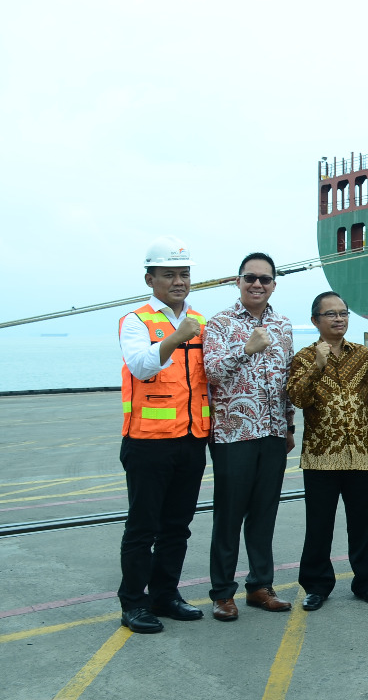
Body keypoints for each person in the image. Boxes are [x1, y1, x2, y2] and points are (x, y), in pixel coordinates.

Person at [116, 236, 210, 634]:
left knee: (177, 525)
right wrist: (174, 336)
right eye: (169, 274)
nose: (178, 281)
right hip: (148, 442)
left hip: (192, 440)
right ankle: (133, 603)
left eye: (184, 274)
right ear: (149, 278)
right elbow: (140, 366)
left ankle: (166, 595)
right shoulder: (136, 321)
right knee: (143, 527)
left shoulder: (202, 322)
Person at [203, 252, 295, 622]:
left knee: (264, 513)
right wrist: (245, 350)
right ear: (237, 282)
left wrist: (288, 425)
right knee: (229, 516)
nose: (257, 284)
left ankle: (260, 586)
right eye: (250, 278)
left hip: (272, 432)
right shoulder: (220, 323)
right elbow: (211, 372)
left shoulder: (284, 325)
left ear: (274, 284)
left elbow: (286, 381)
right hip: (233, 433)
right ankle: (223, 593)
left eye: (265, 279)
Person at [287, 292, 368, 611]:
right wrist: (318, 365)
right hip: (321, 457)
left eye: (343, 313)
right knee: (319, 525)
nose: (338, 319)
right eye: (330, 314)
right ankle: (317, 585)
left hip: (360, 454)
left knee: (362, 524)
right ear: (316, 320)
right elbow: (298, 399)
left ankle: (366, 583)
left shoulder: (362, 355)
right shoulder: (304, 357)